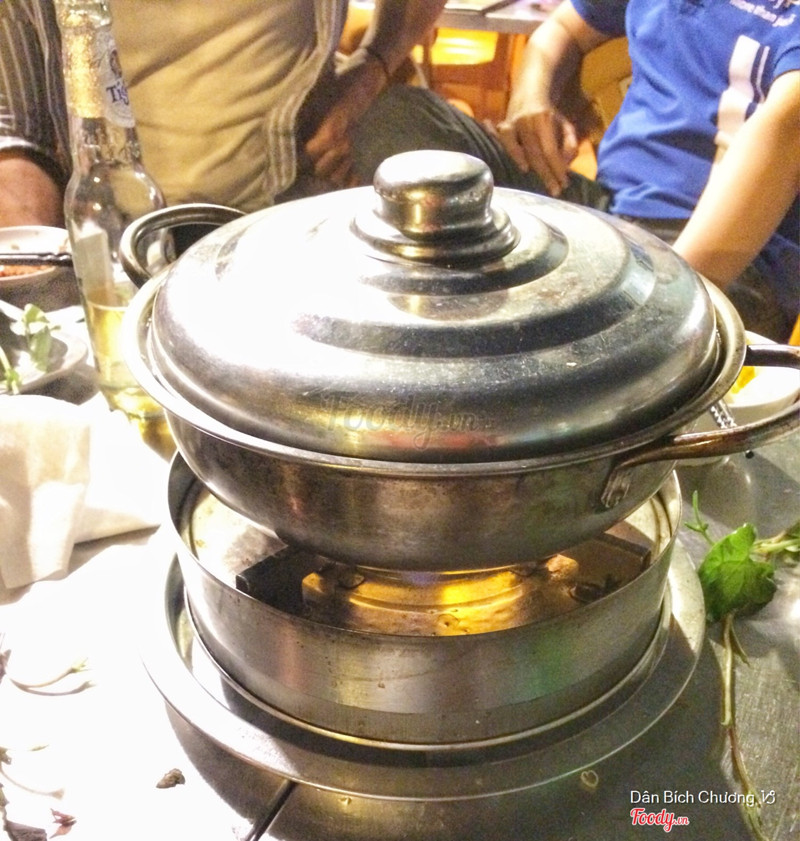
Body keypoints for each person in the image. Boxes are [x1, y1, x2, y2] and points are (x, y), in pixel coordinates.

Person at [496, 0, 800, 342]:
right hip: (605, 211)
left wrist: (666, 305)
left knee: (557, 338)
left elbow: (787, 131)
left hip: (725, 261)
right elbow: (564, 27)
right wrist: (530, 99)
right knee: (445, 146)